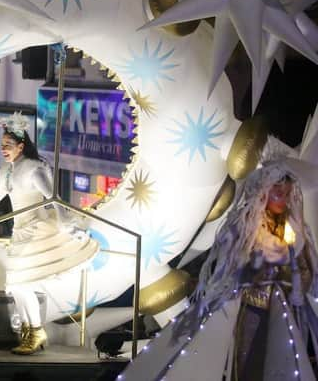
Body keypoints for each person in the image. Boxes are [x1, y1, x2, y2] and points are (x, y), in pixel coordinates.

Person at [123, 139, 318, 380]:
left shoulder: (292, 230)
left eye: (286, 194)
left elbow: (304, 273)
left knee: (282, 365)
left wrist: (295, 270)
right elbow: (236, 267)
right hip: (251, 309)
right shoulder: (247, 228)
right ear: (264, 192)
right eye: (277, 192)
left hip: (282, 311)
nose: (282, 199)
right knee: (250, 364)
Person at [0, 112, 99, 355]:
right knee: (16, 287)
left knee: (19, 284)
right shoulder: (7, 171)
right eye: (2, 145)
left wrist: (65, 222)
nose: (3, 149)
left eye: (8, 145)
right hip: (20, 232)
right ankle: (29, 332)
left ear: (21, 146)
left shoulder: (34, 169)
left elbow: (54, 198)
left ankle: (35, 330)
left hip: (36, 230)